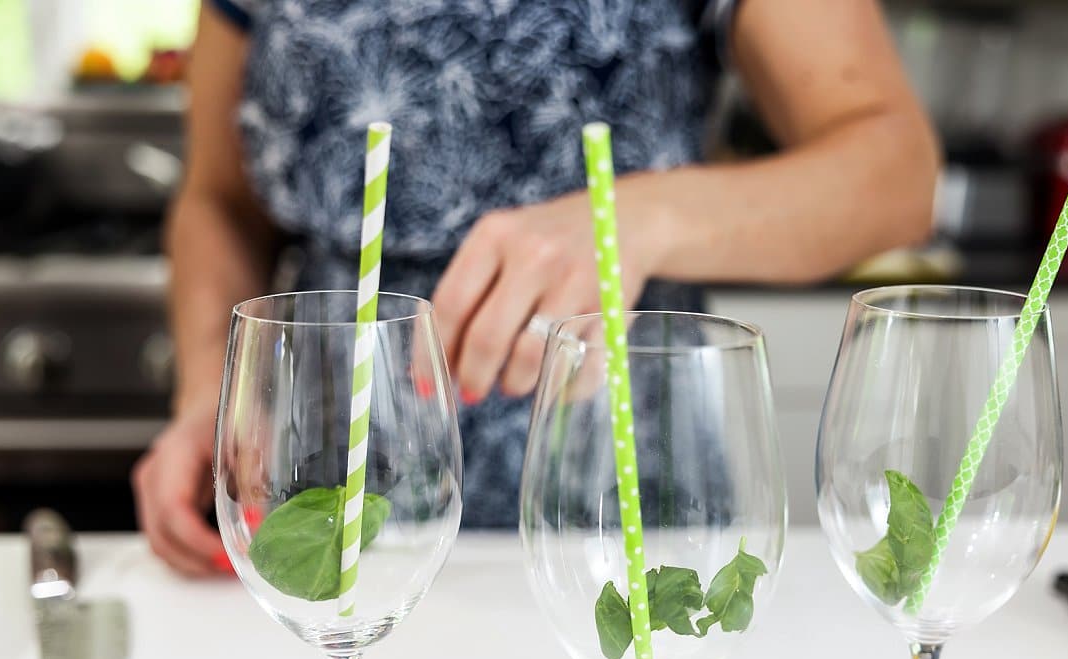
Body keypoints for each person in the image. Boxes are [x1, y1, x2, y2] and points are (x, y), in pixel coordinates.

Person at [133, 0, 939, 576]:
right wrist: (212, 391)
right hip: (324, 486)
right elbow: (220, 201)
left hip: (625, 503)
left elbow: (895, 174)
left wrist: (641, 219)